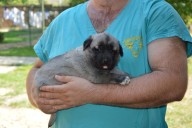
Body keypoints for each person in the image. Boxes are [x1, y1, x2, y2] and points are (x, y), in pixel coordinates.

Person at [26, 0, 192, 128]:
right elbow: (37, 68)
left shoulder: (155, 12)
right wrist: (37, 98)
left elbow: (173, 82)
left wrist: (91, 93)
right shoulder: (63, 20)